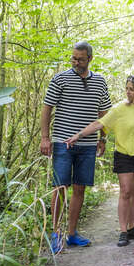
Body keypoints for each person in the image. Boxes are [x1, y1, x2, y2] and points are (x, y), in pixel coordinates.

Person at [64, 75, 134, 247]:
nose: (127, 92)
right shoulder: (119, 108)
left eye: (131, 89)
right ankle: (123, 231)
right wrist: (78, 135)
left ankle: (133, 228)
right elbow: (99, 123)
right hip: (124, 155)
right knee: (125, 191)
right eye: (126, 88)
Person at [40, 41, 112, 254]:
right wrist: (45, 138)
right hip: (62, 142)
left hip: (88, 145)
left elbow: (105, 114)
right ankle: (55, 235)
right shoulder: (60, 78)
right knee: (60, 188)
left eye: (80, 59)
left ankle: (71, 234)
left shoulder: (99, 81)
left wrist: (103, 138)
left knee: (80, 188)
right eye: (73, 58)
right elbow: (47, 108)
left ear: (90, 58)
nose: (76, 62)